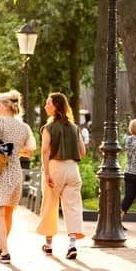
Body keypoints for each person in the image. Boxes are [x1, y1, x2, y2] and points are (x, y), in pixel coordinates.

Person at [0, 90, 36, 264]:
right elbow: (29, 150)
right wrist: (14, 150)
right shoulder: (24, 127)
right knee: (8, 213)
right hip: (15, 172)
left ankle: (6, 252)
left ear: (3, 105)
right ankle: (2, 245)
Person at [37, 92, 86, 260]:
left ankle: (49, 244)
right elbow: (83, 152)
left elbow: (45, 151)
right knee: (73, 207)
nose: (45, 106)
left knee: (50, 205)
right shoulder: (74, 127)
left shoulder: (48, 128)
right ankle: (72, 244)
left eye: (48, 103)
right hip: (72, 169)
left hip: (55, 168)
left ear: (56, 106)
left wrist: (47, 173)